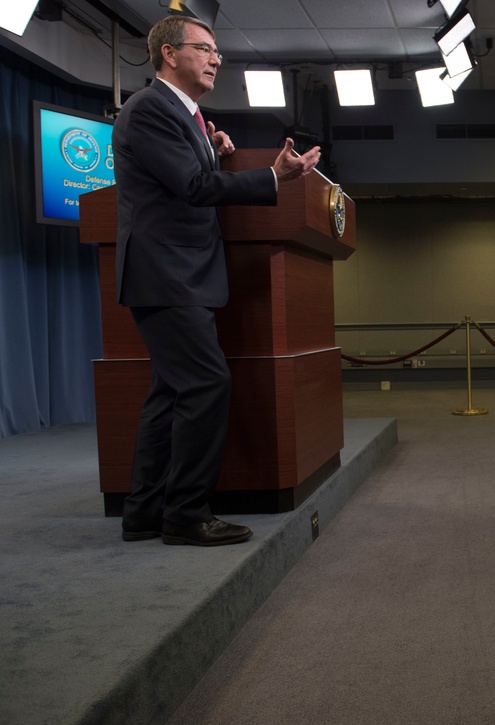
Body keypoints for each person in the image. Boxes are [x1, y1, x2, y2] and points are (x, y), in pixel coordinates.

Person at [114, 15, 321, 546]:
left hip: (178, 274)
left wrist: (212, 146)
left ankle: (145, 509)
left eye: (217, 52)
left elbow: (189, 172)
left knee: (170, 392)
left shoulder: (185, 116)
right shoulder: (150, 110)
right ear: (167, 53)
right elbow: (191, 186)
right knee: (207, 384)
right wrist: (275, 176)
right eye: (204, 49)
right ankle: (185, 515)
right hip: (167, 275)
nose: (215, 59)